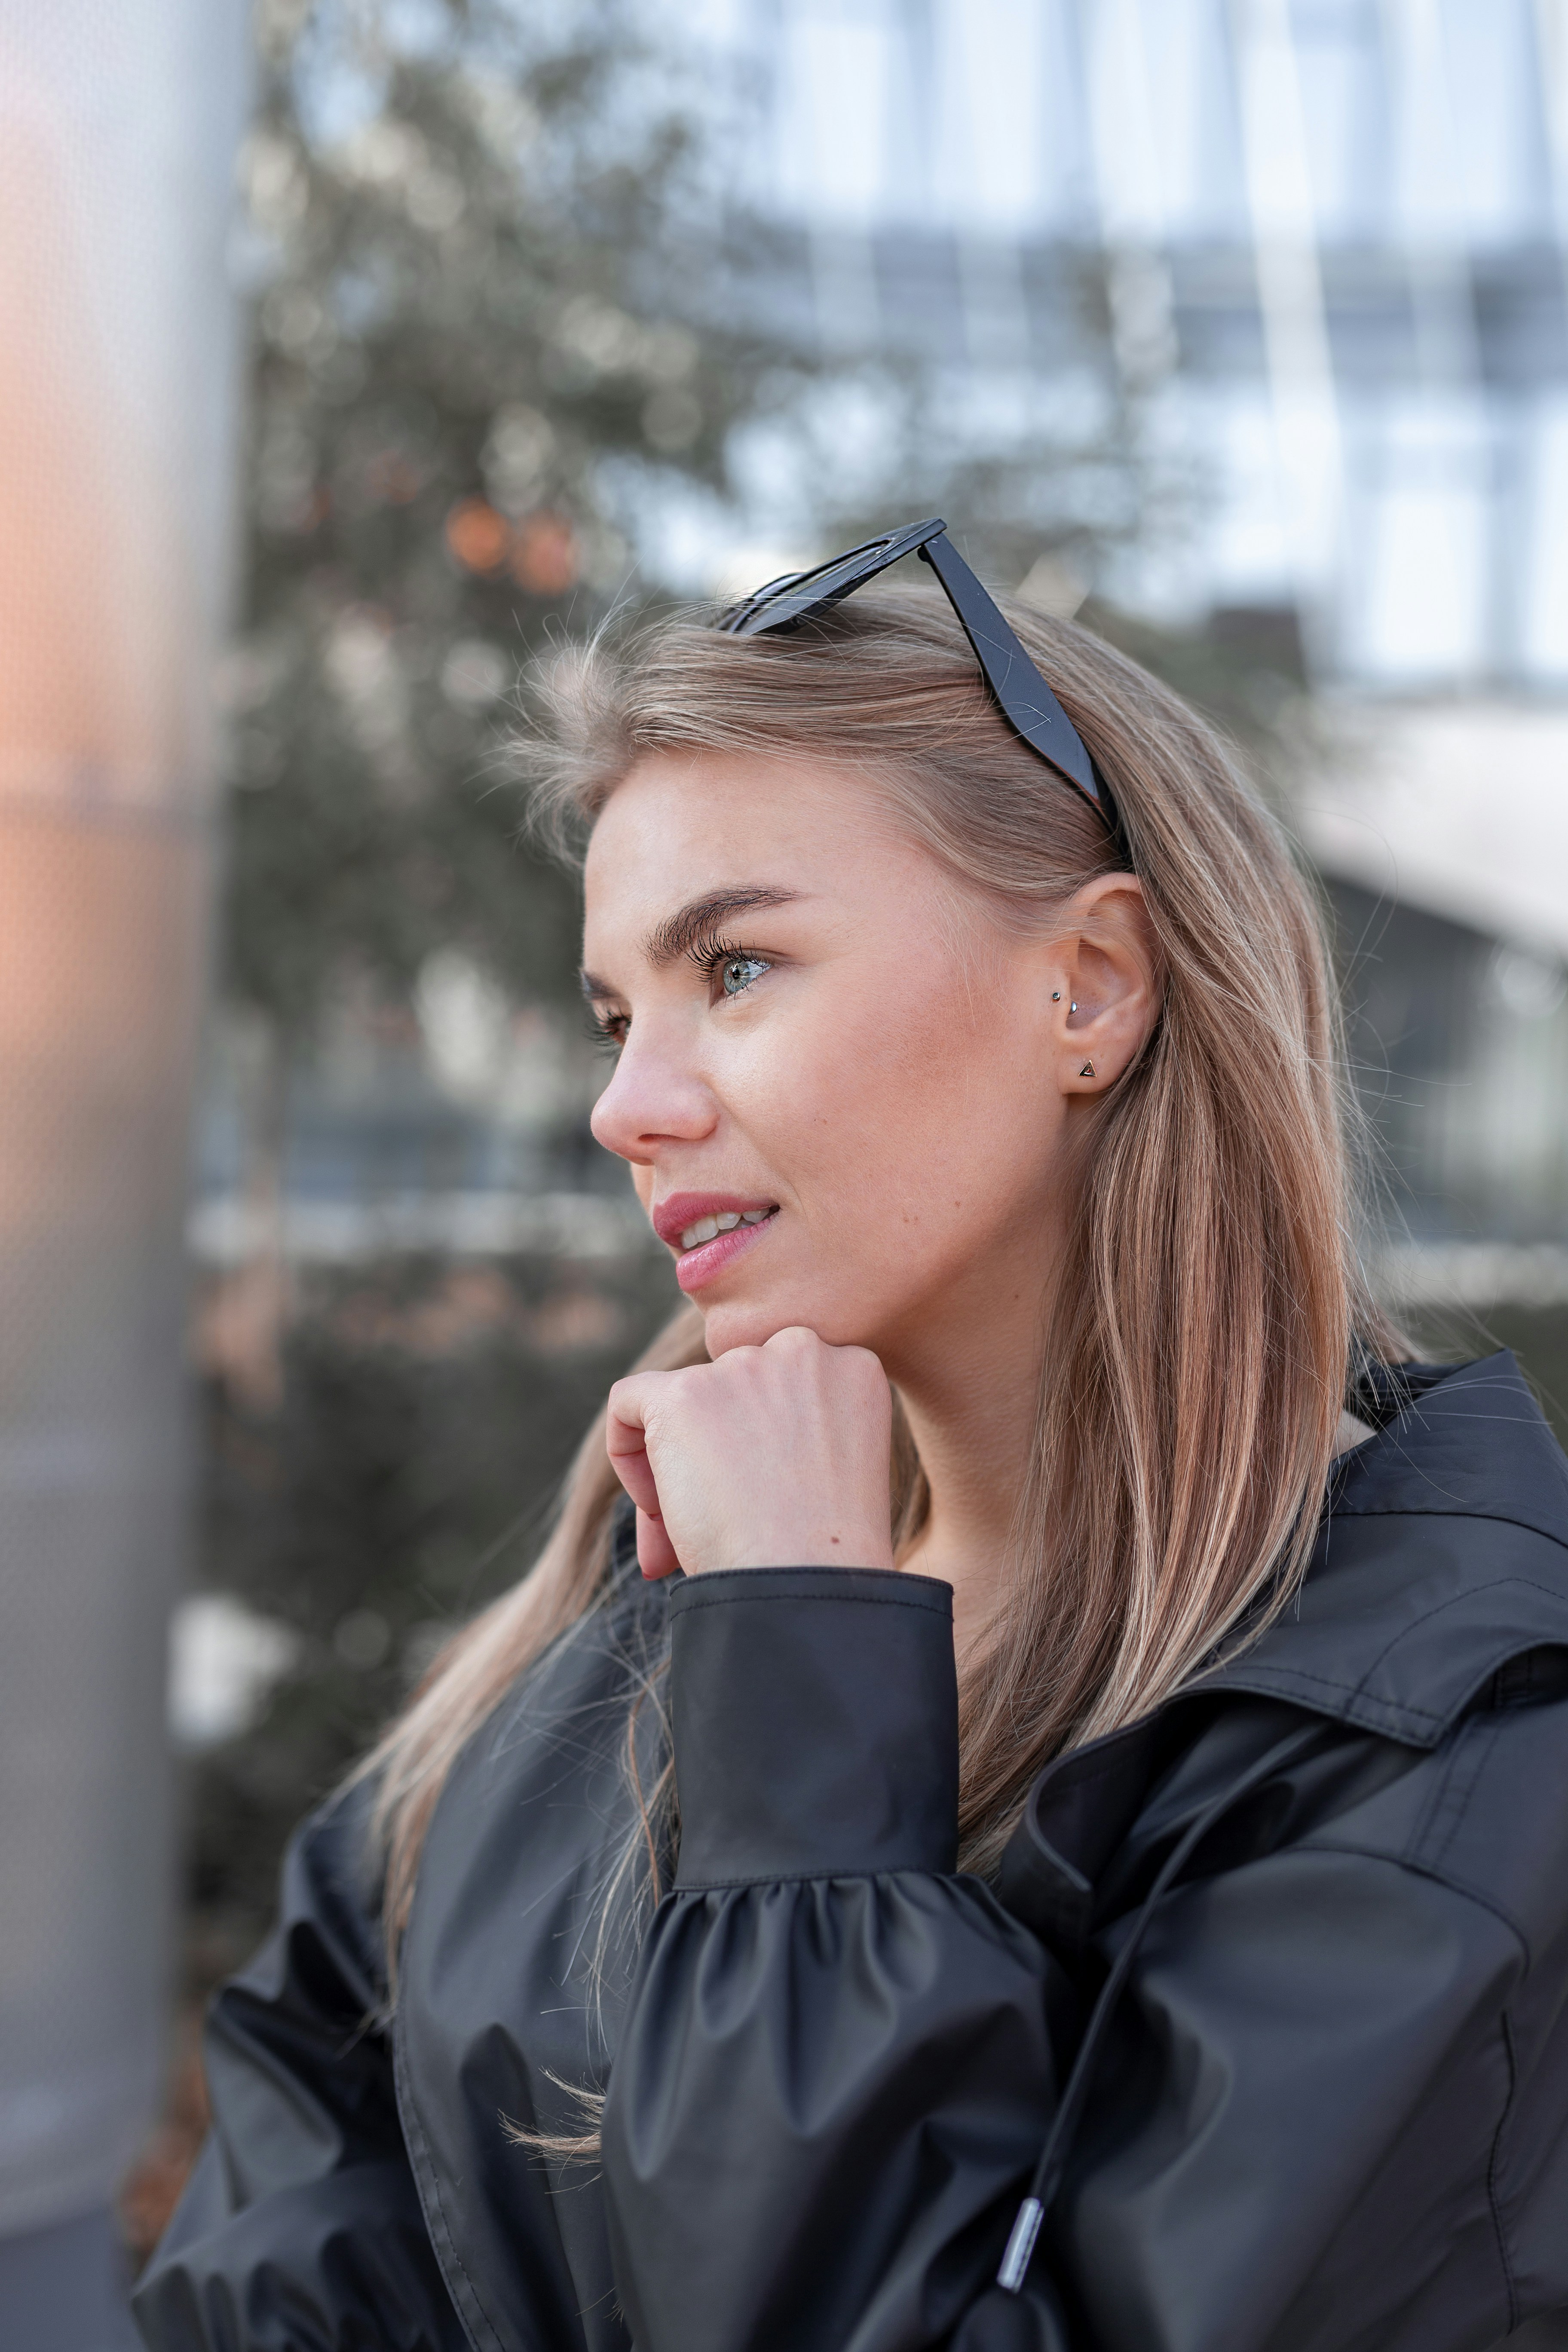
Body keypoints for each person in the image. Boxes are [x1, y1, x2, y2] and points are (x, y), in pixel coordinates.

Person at [135, 529, 1568, 2352]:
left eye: (733, 967)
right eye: (612, 1013)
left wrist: (807, 1698)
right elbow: (281, 2259)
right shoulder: (611, 1634)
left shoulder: (1451, 1750)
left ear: (1093, 989)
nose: (625, 1106)